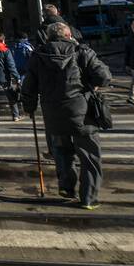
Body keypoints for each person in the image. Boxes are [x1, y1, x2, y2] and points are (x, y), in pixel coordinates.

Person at [20, 22, 112, 209]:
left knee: (62, 151)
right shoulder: (81, 52)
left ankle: (67, 187)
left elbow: (28, 87)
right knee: (89, 156)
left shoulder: (38, 56)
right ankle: (88, 198)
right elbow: (104, 76)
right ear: (69, 34)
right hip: (81, 112)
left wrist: (29, 107)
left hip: (53, 114)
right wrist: (90, 85)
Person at [0, 33, 22, 123]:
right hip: (4, 76)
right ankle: (15, 116)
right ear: (2, 40)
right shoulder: (5, 50)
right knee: (11, 96)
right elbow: (11, 65)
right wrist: (16, 77)